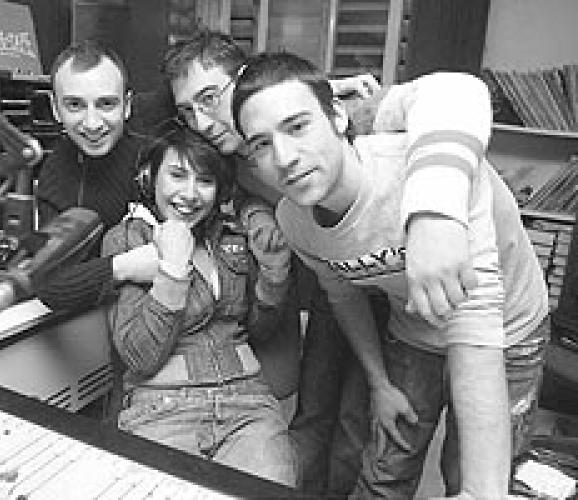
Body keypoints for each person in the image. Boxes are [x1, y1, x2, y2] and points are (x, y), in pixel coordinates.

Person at [160, 29, 507, 496]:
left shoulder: (347, 115)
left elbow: (455, 93)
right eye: (187, 111)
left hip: (433, 276)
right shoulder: (230, 158)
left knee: (365, 423)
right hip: (338, 273)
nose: (201, 121)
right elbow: (239, 193)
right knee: (322, 407)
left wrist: (434, 214)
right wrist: (254, 210)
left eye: (209, 98)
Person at [231, 51, 549, 499]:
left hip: (506, 330)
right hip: (413, 331)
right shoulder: (294, 219)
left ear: (337, 116)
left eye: (298, 126)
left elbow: (475, 323)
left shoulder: (427, 170)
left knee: (471, 476)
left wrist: (434, 214)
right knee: (384, 473)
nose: (284, 158)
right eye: (261, 145)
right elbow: (343, 295)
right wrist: (379, 382)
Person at [101, 122, 298, 486]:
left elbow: (259, 332)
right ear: (150, 177)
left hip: (248, 405)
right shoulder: (128, 238)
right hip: (161, 409)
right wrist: (173, 271)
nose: (190, 194)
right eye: (177, 175)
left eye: (204, 181)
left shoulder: (231, 237)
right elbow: (139, 356)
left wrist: (273, 278)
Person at [32, 39, 158, 312]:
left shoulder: (158, 160)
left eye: (106, 104)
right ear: (55, 108)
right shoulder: (55, 174)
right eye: (75, 105)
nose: (92, 123)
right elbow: (48, 282)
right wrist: (125, 267)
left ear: (127, 106)